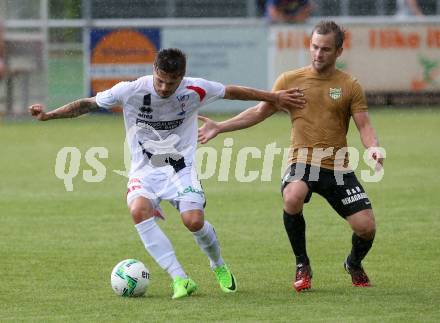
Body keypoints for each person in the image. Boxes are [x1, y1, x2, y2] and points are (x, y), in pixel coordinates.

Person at [28, 48, 304, 299]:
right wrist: (49, 115)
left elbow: (232, 91)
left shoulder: (195, 89)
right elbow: (88, 104)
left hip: (181, 171)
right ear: (153, 70)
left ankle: (218, 265)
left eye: (171, 83)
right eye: (160, 80)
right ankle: (180, 279)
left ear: (181, 78)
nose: (163, 87)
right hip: (144, 172)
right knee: (138, 210)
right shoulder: (130, 90)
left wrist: (274, 97)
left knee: (193, 221)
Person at [198, 21, 384, 292]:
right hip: (303, 162)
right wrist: (220, 126)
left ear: (339, 51)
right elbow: (259, 112)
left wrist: (373, 147)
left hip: (338, 168)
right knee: (293, 195)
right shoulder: (290, 81)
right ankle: (302, 263)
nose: (318, 54)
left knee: (366, 227)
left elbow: (364, 125)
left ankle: (353, 263)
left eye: (326, 49)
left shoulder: (349, 85)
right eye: (314, 47)